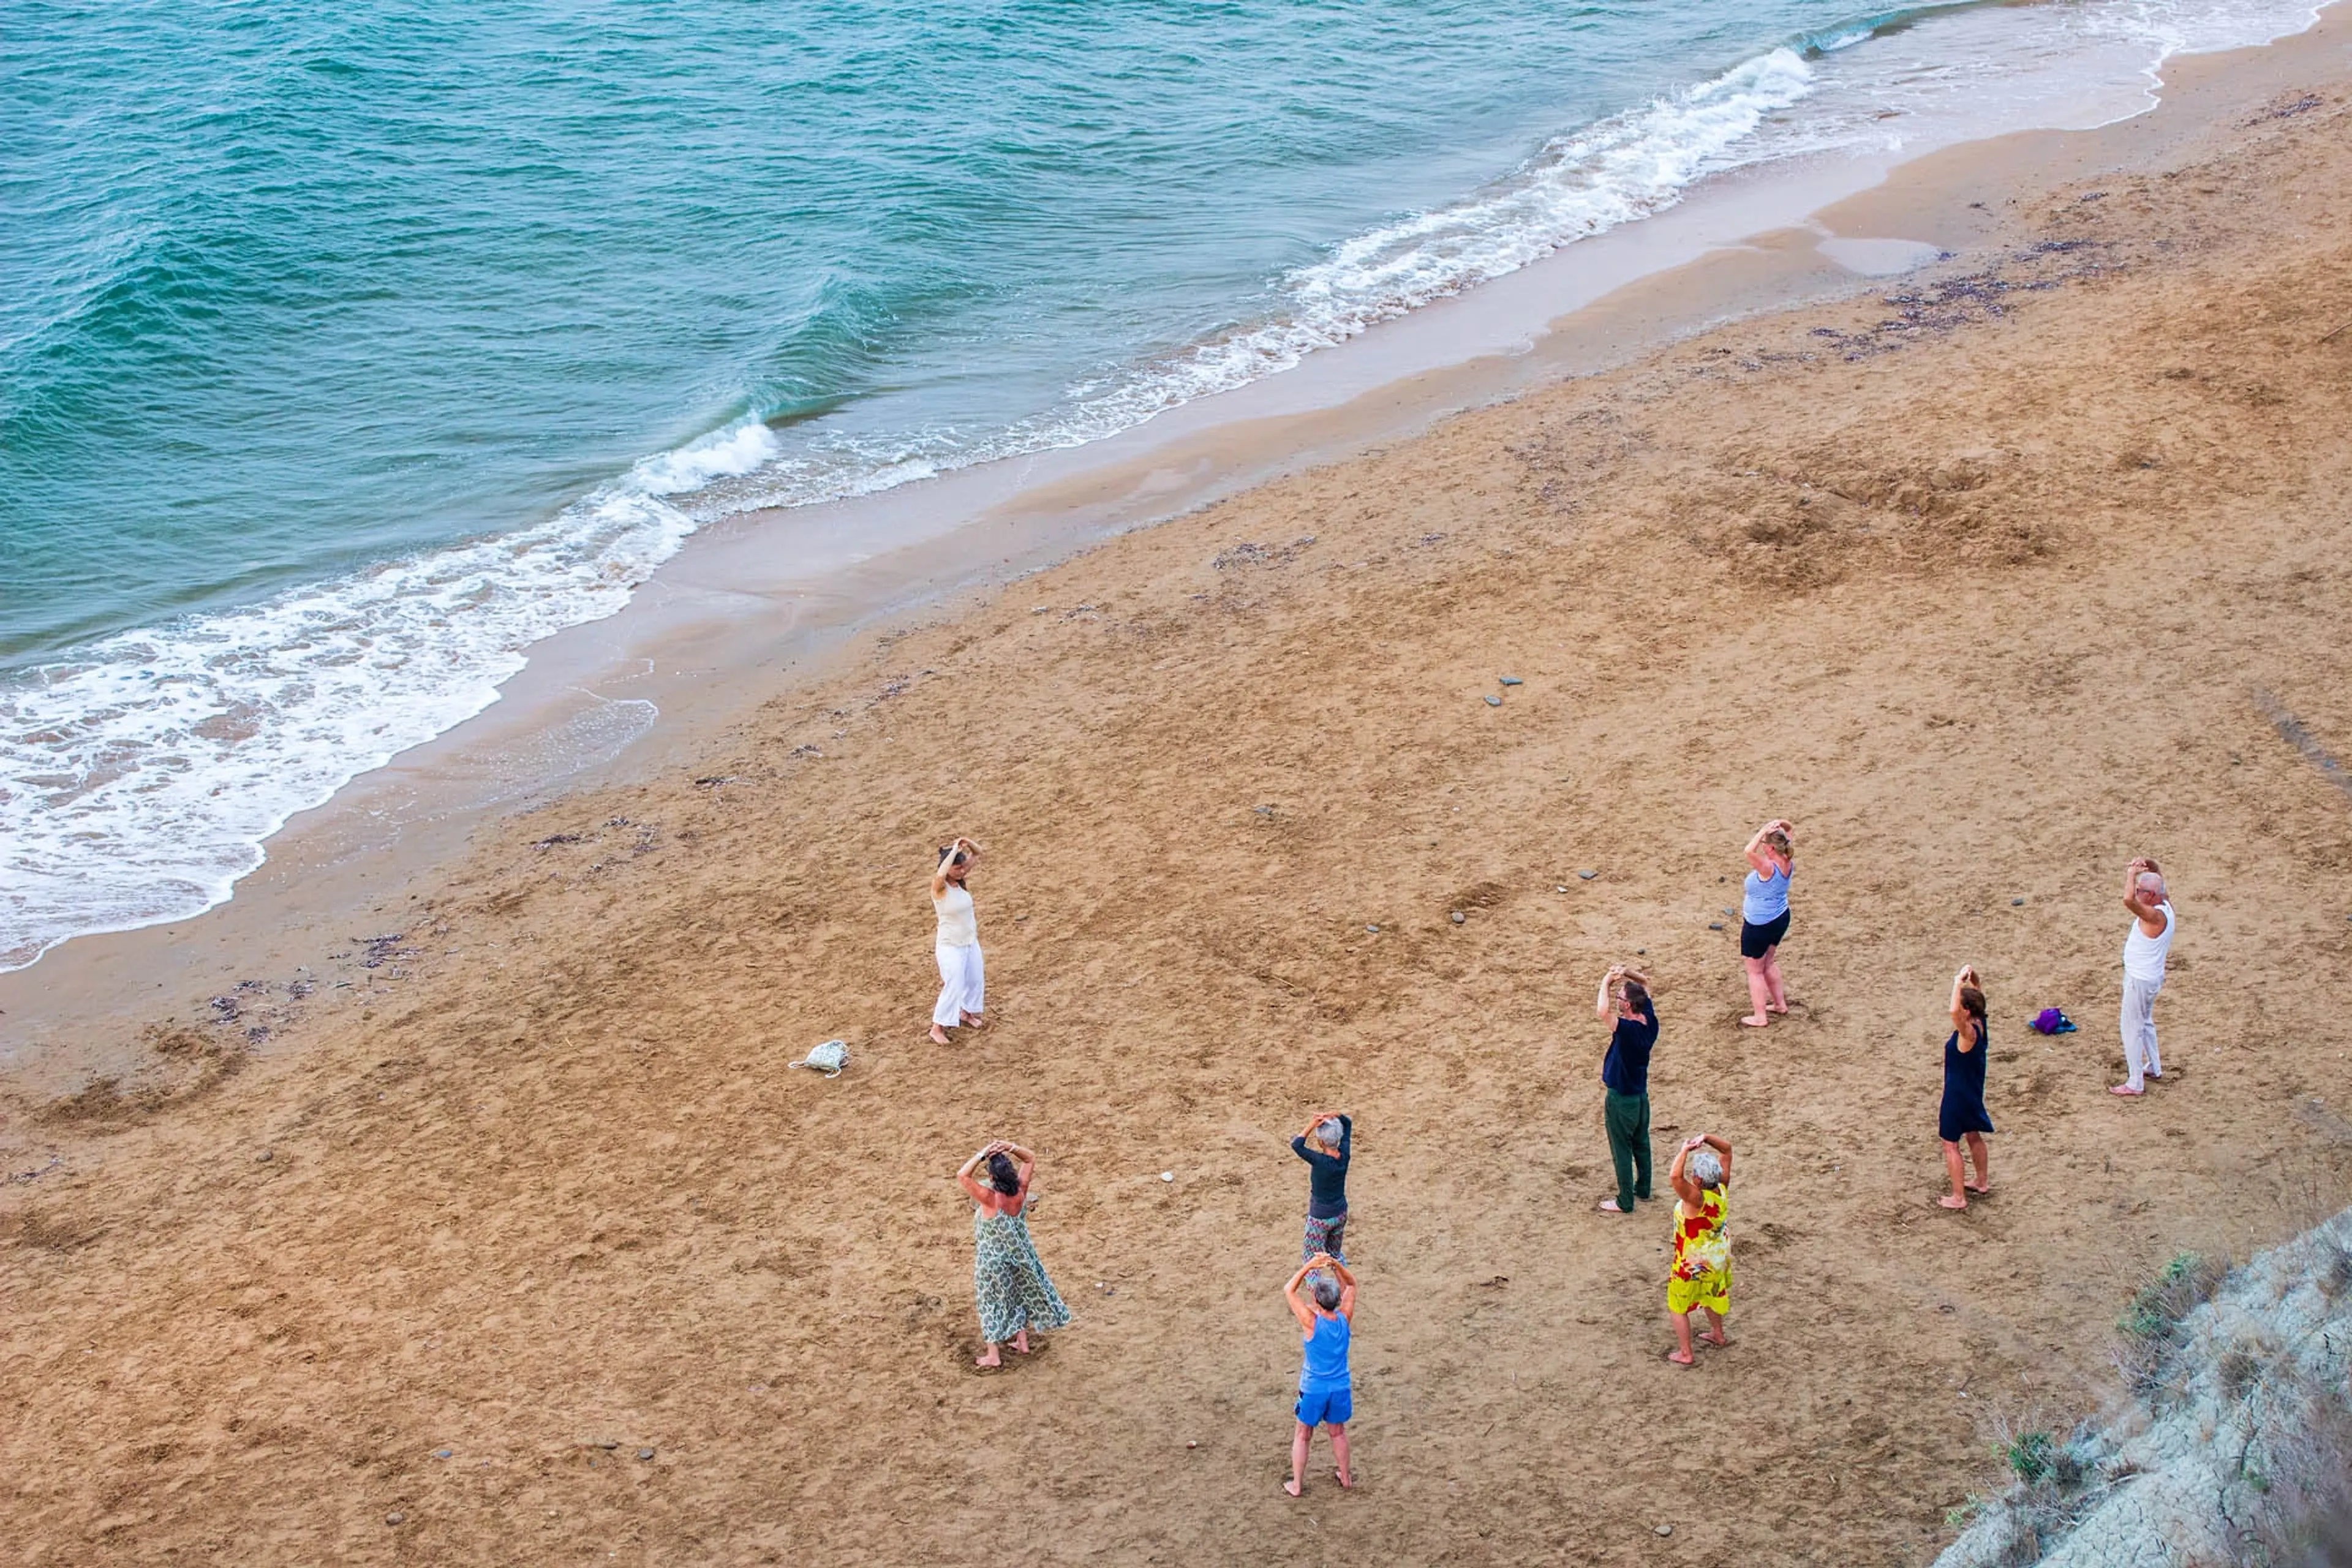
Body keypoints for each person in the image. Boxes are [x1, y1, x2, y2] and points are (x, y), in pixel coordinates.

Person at [954, 1138, 1070, 1368]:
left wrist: (983, 1153)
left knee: (990, 1303)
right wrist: (1010, 1147)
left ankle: (993, 1355)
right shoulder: (1021, 1190)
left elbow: (962, 1175)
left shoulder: (990, 1199)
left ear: (992, 1178)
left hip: (992, 1261)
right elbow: (1031, 1158)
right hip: (1019, 1256)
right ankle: (1022, 1342)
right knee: (1017, 1295)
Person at [1282, 1251, 1357, 1496]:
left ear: (1315, 1298)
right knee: (1338, 1432)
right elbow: (1352, 1284)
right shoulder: (1344, 1318)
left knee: (1303, 1434)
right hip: (1339, 1386)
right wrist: (1335, 1265)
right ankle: (1345, 1477)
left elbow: (1289, 1290)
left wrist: (1309, 1266)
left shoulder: (1311, 1321)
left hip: (1314, 1388)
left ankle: (1297, 1484)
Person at [1594, 963, 1657, 1215]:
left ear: (1628, 1005)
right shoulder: (1649, 1020)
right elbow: (1646, 983)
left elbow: (1602, 1012)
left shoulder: (1629, 1030)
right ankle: (1643, 1188)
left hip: (1622, 1098)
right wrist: (1627, 972)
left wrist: (1606, 982)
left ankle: (1625, 1200)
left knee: (1622, 1148)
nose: (1617, 1000)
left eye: (1621, 998)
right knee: (1641, 1142)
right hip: (1640, 1095)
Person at [1666, 1133, 1733, 1366]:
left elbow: (1675, 1177)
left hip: (1692, 1261)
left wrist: (1685, 1150)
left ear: (1696, 1180)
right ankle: (1718, 1334)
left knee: (1677, 1305)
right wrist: (1706, 1138)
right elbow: (1727, 1150)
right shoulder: (1722, 1187)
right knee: (1711, 1294)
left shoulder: (1696, 1199)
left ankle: (1686, 1353)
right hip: (1716, 1256)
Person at [2113, 857, 2175, 1097]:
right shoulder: (2166, 905)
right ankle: (2154, 1067)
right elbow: (2161, 883)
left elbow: (2127, 900)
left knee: (2131, 1028)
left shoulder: (2154, 917)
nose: (2137, 892)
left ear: (2151, 895)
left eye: (2141, 890)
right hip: (2151, 977)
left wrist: (2131, 875)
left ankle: (2135, 1081)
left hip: (2140, 979)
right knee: (2146, 1022)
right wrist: (2151, 865)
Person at [1937, 965, 1994, 1210]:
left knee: (1950, 1144)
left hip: (1956, 1096)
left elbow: (1953, 1011)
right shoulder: (1981, 1023)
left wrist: (1957, 983)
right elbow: (1978, 997)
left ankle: (1958, 1197)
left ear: (1967, 1010)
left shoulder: (1968, 1033)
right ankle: (1981, 1181)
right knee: (1973, 1134)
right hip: (1972, 1092)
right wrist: (1974, 982)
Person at [929, 835, 985, 1046]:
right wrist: (952, 851)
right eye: (957, 868)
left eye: (962, 867)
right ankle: (937, 1027)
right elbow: (940, 873)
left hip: (970, 941)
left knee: (975, 979)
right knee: (954, 984)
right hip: (950, 946)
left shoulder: (959, 883)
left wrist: (966, 842)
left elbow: (978, 853)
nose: (962, 871)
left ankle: (966, 1012)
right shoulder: (939, 889)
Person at [1738, 820, 1795, 1028]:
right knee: (1769, 963)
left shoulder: (1767, 867)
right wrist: (1781, 824)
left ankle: (1760, 1016)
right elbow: (1788, 831)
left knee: (1754, 970)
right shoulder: (1787, 860)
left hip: (1759, 924)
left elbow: (1747, 851)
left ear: (1770, 847)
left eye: (1764, 841)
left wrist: (1763, 830)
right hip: (1779, 918)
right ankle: (1780, 1004)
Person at [1291, 1112, 1352, 1262]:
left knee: (1311, 1260)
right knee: (1336, 1256)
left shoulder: (1320, 1161)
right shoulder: (1344, 1154)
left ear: (1321, 1142)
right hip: (1340, 1213)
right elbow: (1348, 1123)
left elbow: (1297, 1145)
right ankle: (1345, 1283)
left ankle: (1314, 1286)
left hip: (1320, 1217)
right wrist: (1335, 1114)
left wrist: (1312, 1125)